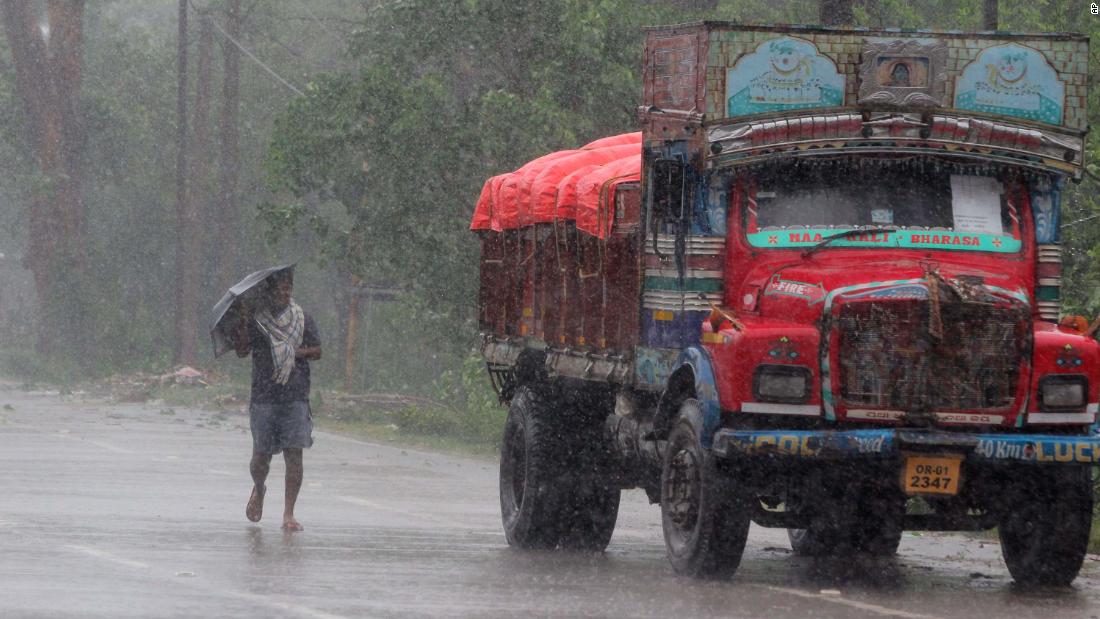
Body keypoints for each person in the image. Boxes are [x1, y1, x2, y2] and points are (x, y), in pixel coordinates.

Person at [234, 270, 321, 531]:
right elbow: (241, 350)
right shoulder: (257, 321)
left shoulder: (301, 318)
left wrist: (291, 352)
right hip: (264, 397)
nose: (285, 293)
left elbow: (317, 351)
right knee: (260, 458)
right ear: (269, 293)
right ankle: (259, 488)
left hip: (295, 396)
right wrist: (242, 319)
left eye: (288, 289)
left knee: (294, 454)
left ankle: (288, 513)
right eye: (280, 289)